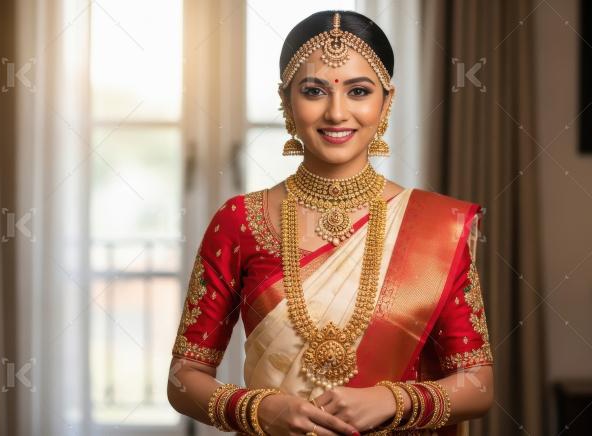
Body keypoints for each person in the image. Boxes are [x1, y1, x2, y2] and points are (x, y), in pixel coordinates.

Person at [167, 10, 494, 435]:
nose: (337, 113)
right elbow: (183, 378)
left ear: (386, 100)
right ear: (287, 102)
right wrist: (259, 410)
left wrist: (392, 400)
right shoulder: (238, 222)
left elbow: (479, 385)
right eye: (314, 91)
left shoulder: (438, 225)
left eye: (359, 91)